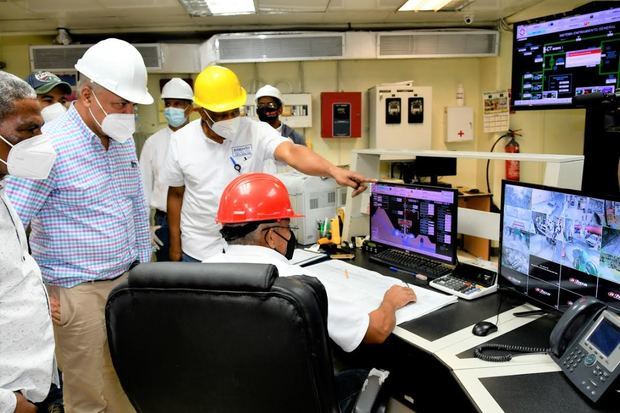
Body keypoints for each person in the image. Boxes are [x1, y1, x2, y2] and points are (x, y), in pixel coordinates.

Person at [5, 38, 153, 413]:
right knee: (89, 396)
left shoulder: (121, 140)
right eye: (121, 103)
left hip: (125, 283)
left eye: (133, 104)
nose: (129, 111)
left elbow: (135, 205)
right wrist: (40, 292)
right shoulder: (48, 146)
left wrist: (144, 269)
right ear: (87, 95)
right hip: (76, 291)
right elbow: (12, 226)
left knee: (127, 384)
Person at [204, 173, 416, 412]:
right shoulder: (297, 285)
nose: (290, 235)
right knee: (368, 374)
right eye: (287, 227)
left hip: (228, 396)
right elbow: (375, 331)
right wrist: (390, 302)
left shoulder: (203, 272)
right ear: (271, 236)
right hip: (290, 401)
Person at [162, 65, 373, 262]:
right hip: (199, 248)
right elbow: (176, 194)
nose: (229, 119)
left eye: (234, 112)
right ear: (201, 110)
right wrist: (175, 245)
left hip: (247, 246)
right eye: (220, 114)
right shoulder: (181, 141)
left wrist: (332, 170)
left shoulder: (255, 131)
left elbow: (292, 151)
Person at [0, 71, 57, 413]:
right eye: (27, 130)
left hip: (28, 388)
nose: (40, 141)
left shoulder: (3, 191)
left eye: (41, 129)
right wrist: (9, 404)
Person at [140, 78, 193, 261]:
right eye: (168, 104)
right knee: (168, 279)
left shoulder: (200, 139)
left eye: (178, 104)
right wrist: (144, 227)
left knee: (199, 275)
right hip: (163, 221)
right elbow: (144, 188)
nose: (171, 109)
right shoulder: (153, 143)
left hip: (195, 218)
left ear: (190, 108)